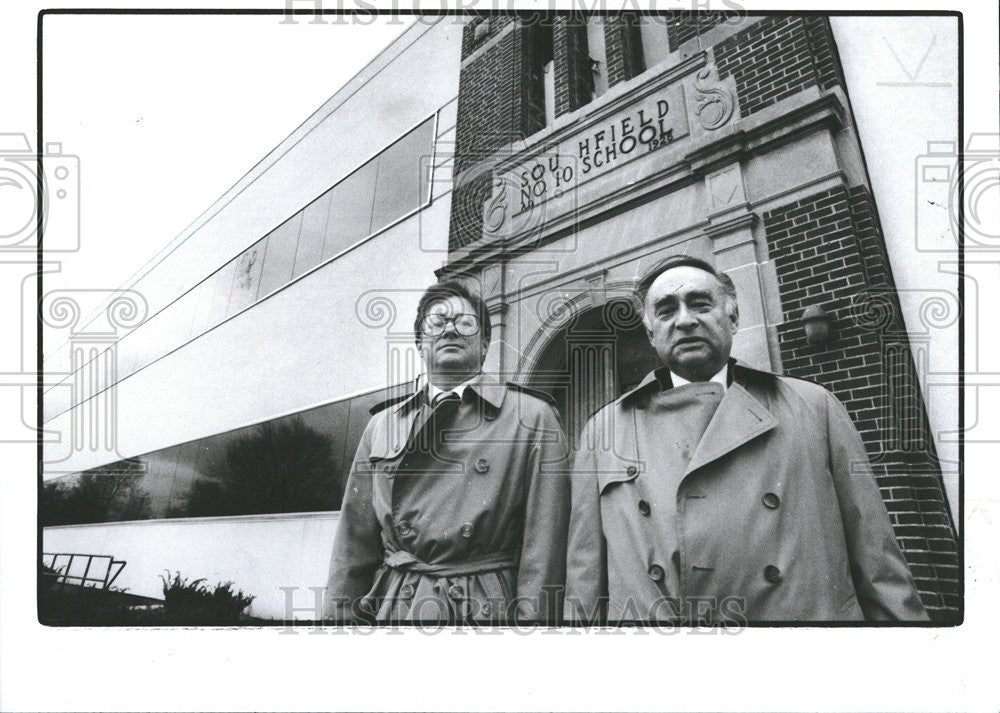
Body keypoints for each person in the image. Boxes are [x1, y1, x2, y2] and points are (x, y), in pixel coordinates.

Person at [565, 255, 928, 623]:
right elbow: (584, 580)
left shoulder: (813, 406)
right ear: (651, 334)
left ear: (733, 317)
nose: (685, 319)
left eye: (700, 303)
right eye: (666, 310)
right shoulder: (603, 431)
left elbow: (878, 563)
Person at [325, 280, 569, 624]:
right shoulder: (382, 426)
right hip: (398, 606)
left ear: (485, 345)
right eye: (438, 323)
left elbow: (544, 550)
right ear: (420, 345)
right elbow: (352, 546)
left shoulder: (532, 417)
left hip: (487, 611)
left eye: (465, 323)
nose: (451, 329)